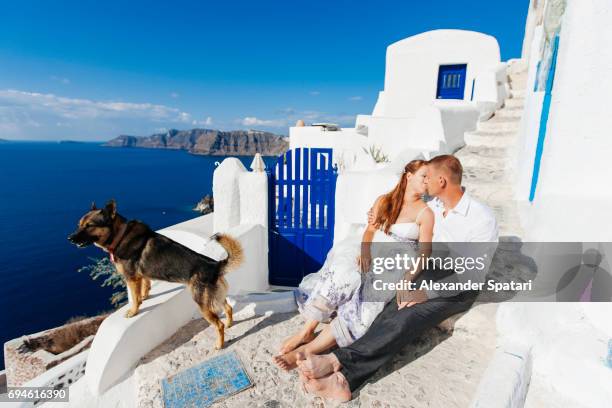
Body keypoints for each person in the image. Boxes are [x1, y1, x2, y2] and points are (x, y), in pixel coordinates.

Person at [296, 154, 499, 401]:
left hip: (458, 284)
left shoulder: (481, 217)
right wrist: (376, 218)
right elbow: (404, 220)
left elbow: (474, 274)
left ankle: (342, 373)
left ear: (442, 181)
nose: (425, 182)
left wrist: (426, 293)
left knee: (407, 316)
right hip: (430, 270)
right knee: (388, 303)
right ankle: (335, 350)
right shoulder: (432, 206)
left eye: (429, 177)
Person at [273, 159, 434, 370]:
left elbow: (425, 253)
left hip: (395, 263)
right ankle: (306, 331)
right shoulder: (385, 200)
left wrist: (407, 280)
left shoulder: (426, 213)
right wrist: (365, 252)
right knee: (343, 274)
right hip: (371, 249)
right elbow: (369, 231)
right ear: (408, 176)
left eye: (430, 177)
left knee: (365, 304)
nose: (427, 181)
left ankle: (308, 350)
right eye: (424, 176)